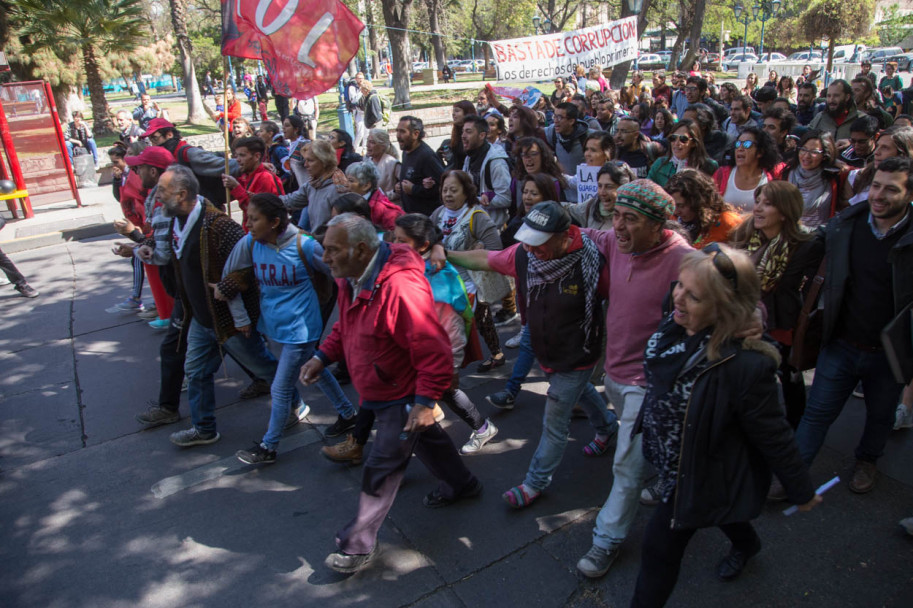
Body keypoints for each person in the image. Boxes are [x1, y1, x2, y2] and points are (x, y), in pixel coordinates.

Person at [629, 245, 821, 607]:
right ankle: (748, 543)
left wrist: (801, 489)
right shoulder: (679, 320)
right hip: (671, 457)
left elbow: (774, 433)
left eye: (694, 296)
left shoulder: (746, 365)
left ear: (723, 307)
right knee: (718, 511)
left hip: (701, 470)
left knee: (658, 550)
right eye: (679, 286)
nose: (678, 299)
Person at [299, 213, 482, 574]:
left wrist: (426, 401)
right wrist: (324, 355)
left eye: (333, 250)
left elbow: (434, 350)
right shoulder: (352, 275)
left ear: (362, 249)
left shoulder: (399, 288)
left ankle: (358, 544)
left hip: (401, 391)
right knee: (428, 439)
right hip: (383, 387)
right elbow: (348, 324)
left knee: (382, 465)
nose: (325, 258)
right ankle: (464, 484)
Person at [445, 201, 619, 508]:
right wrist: (445, 253)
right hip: (547, 351)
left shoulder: (593, 262)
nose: (530, 248)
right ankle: (607, 428)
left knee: (555, 421)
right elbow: (486, 258)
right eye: (528, 239)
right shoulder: (524, 255)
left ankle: (535, 482)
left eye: (540, 243)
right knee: (581, 390)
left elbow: (621, 302)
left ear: (565, 236)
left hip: (578, 354)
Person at [573, 180, 694, 579]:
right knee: (647, 448)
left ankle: (606, 539)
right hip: (616, 375)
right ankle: (667, 478)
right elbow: (584, 234)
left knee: (625, 465)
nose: (619, 226)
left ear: (658, 224)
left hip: (651, 383)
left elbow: (740, 300)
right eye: (617, 216)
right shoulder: (615, 242)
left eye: (631, 219)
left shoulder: (685, 260)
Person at [793, 156, 913, 495]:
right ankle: (794, 474)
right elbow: (805, 251)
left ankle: (867, 461)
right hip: (842, 343)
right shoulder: (845, 225)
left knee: (880, 416)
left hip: (890, 354)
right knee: (816, 413)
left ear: (909, 194)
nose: (879, 195)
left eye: (892, 189)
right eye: (876, 185)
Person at [217, 194, 356, 464]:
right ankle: (348, 413)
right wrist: (241, 317)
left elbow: (340, 273)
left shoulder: (304, 245)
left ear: (275, 222)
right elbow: (228, 280)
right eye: (247, 217)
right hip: (274, 325)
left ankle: (269, 447)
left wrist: (353, 308)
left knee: (280, 389)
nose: (248, 224)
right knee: (313, 366)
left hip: (302, 327)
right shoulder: (250, 243)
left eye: (254, 219)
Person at [149, 165, 279, 447]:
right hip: (199, 317)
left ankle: (293, 404)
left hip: (229, 318)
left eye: (162, 191)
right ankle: (204, 429)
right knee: (195, 372)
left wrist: (229, 285)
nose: (157, 197)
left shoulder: (219, 225)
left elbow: (250, 265)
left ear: (182, 194)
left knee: (266, 368)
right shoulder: (175, 221)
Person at [393, 213, 498, 453]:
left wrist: (450, 366)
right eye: (394, 239)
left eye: (401, 241)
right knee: (439, 395)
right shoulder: (411, 263)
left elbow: (453, 329)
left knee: (444, 392)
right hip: (419, 352)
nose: (394, 246)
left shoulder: (440, 278)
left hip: (437, 355)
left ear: (423, 245)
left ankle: (481, 428)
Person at [729, 181, 824, 429]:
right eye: (758, 201)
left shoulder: (805, 245)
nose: (758, 208)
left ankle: (796, 426)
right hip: (743, 316)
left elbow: (783, 288)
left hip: (780, 321)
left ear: (784, 212)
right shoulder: (745, 233)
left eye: (767, 204)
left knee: (787, 378)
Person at [429, 170, 506, 372]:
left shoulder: (477, 217)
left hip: (470, 282)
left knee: (476, 319)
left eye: (453, 190)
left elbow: (495, 249)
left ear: (467, 192)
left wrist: (477, 248)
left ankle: (459, 364)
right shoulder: (438, 214)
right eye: (444, 190)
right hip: (442, 281)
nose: (448, 195)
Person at [141, 118, 241, 211]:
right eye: (150, 140)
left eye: (155, 138)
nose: (153, 145)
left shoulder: (188, 153)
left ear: (169, 135)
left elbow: (225, 165)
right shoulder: (169, 156)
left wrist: (249, 165)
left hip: (205, 211)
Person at [222, 136, 285, 231]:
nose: (238, 160)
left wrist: (236, 187)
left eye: (242, 155)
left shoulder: (265, 178)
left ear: (257, 156)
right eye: (236, 156)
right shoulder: (245, 175)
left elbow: (259, 212)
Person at [666, 169, 741, 248]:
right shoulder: (673, 220)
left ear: (698, 201)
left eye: (681, 206)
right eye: (672, 205)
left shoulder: (727, 222)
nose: (676, 211)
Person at [712, 127, 781, 213]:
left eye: (747, 144)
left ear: (760, 152)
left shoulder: (771, 178)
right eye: (737, 144)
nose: (740, 149)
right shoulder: (721, 174)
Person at [782, 129, 841, 229]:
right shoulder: (785, 172)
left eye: (814, 152)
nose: (806, 156)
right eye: (803, 149)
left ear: (825, 155)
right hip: (787, 234)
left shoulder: (834, 177)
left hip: (817, 237)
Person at [460, 115, 512, 227]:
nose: (463, 136)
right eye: (463, 131)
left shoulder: (496, 162)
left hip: (493, 227)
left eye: (468, 132)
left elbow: (505, 199)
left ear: (482, 135)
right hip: (472, 224)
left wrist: (477, 199)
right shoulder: (469, 157)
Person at [281, 139, 343, 232]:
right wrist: (266, 199)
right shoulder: (312, 184)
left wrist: (311, 238)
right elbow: (291, 201)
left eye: (310, 161)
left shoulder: (338, 189)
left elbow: (339, 229)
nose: (305, 165)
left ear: (324, 161)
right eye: (305, 160)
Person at [843, 125, 913, 207]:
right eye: (878, 146)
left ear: (903, 154)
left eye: (885, 148)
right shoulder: (856, 177)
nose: (877, 152)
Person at [394, 116, 445, 216]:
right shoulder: (406, 151)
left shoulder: (426, 156)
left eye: (402, 132)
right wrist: (399, 186)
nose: (398, 136)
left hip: (425, 219)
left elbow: (443, 186)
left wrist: (414, 190)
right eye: (397, 131)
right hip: (410, 216)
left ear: (415, 134)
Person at [646, 119, 718, 187]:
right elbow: (647, 190)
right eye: (673, 138)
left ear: (693, 143)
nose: (676, 143)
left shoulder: (709, 166)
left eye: (683, 139)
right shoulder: (659, 164)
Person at [544, 102, 593, 192]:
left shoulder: (589, 136)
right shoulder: (552, 133)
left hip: (585, 191)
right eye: (554, 116)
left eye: (560, 117)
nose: (555, 121)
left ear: (571, 121)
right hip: (564, 190)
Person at [344, 161, 405, 232]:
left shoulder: (386, 211)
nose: (346, 184)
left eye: (351, 181)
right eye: (346, 180)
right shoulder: (357, 200)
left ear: (366, 185)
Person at [365, 128, 400, 198]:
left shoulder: (392, 163)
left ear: (382, 146)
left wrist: (386, 195)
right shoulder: (366, 161)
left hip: (389, 206)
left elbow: (403, 189)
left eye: (372, 142)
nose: (367, 145)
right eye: (367, 141)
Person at [346, 72, 366, 152]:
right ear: (356, 79)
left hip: (365, 111)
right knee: (360, 132)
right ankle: (354, 148)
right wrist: (361, 91)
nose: (361, 80)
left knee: (367, 132)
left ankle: (365, 149)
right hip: (357, 111)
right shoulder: (352, 87)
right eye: (359, 78)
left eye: (362, 78)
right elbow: (354, 100)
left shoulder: (365, 85)